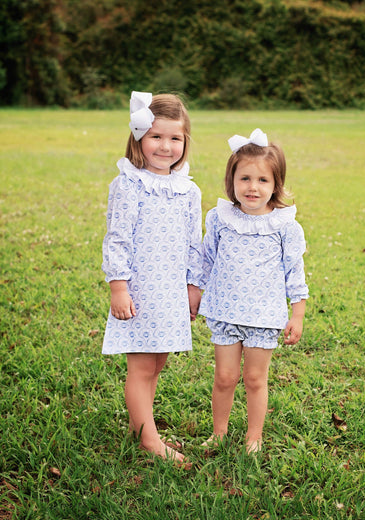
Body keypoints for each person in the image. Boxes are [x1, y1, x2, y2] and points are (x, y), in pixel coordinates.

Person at [102, 91, 202, 464]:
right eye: (156, 136)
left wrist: (194, 287)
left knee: (158, 361)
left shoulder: (189, 190)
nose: (165, 146)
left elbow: (195, 243)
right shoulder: (129, 185)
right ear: (139, 138)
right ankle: (150, 441)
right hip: (140, 290)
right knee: (141, 365)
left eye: (175, 138)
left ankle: (138, 426)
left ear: (185, 142)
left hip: (171, 291)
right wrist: (119, 287)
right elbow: (117, 239)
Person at [199, 128, 309, 454]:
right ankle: (219, 433)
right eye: (245, 178)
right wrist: (196, 292)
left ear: (276, 185)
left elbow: (295, 272)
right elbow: (206, 260)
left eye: (262, 180)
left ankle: (253, 437)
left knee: (255, 379)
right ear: (231, 181)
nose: (252, 187)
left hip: (263, 316)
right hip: (224, 311)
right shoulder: (220, 219)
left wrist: (298, 314)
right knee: (224, 377)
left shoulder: (285, 226)